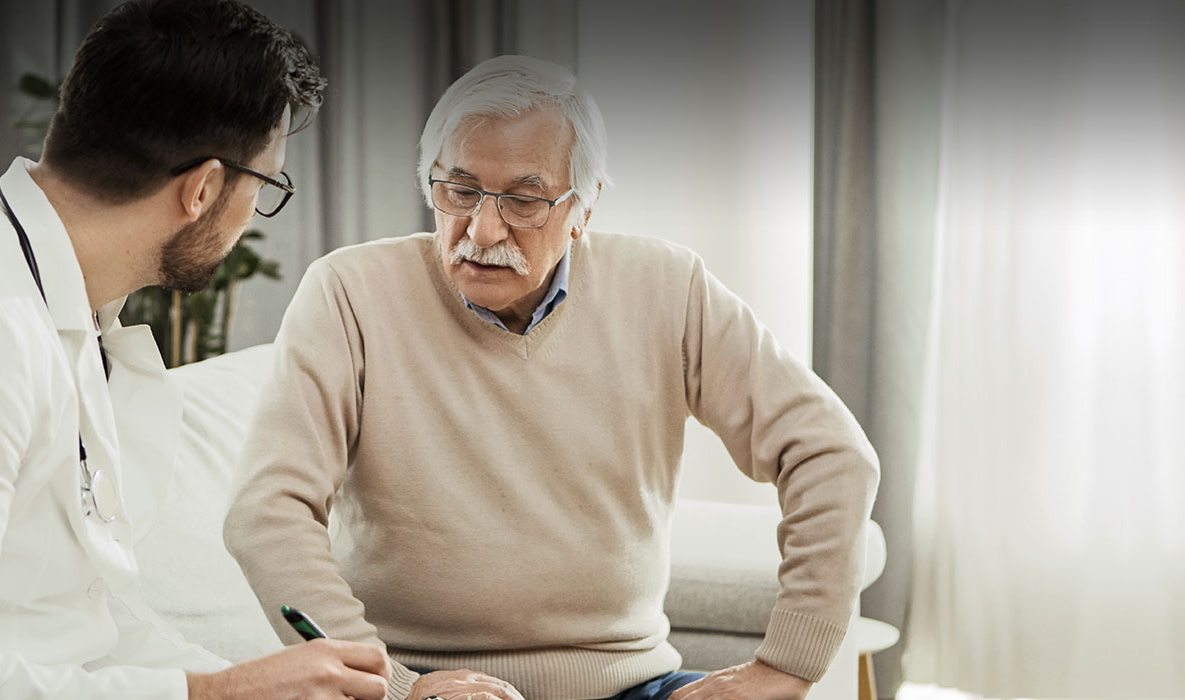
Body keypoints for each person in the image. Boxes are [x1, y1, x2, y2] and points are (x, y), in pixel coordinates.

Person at [223, 55, 881, 700]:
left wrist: (787, 667)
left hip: (631, 684)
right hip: (421, 682)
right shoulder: (348, 293)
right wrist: (395, 688)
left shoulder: (668, 288)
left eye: (525, 200)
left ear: (584, 207)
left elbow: (830, 454)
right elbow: (266, 511)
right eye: (459, 190)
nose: (482, 228)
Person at [0, 1, 393, 698]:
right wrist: (218, 695)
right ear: (203, 189)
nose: (250, 215)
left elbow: (81, 621)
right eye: (264, 186)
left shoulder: (66, 308)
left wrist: (258, 683)